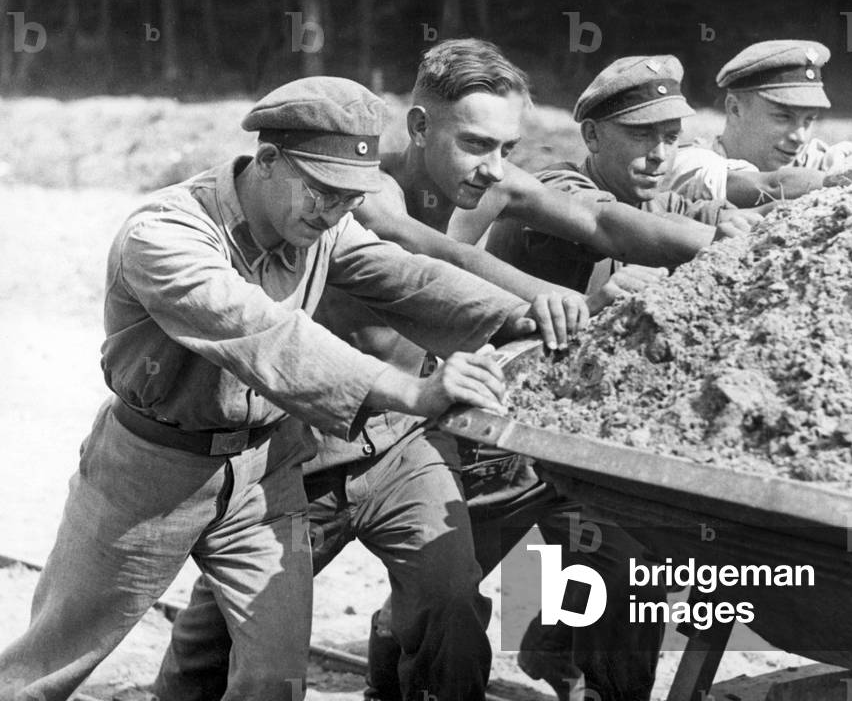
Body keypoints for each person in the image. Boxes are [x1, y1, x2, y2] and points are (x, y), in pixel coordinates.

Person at [154, 39, 673, 701]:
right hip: (303, 451)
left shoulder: (485, 180)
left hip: (407, 441)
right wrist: (532, 297)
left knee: (450, 604)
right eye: (477, 144)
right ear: (421, 127)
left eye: (508, 148)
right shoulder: (360, 191)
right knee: (224, 633)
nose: (495, 168)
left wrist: (752, 225)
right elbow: (417, 253)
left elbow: (601, 222)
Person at [0, 77, 542, 701]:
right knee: (49, 668)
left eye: (348, 199)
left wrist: (522, 313)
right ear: (267, 160)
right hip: (150, 475)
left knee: (273, 682)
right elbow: (264, 334)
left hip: (266, 473)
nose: (333, 212)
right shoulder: (167, 235)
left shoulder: (323, 225)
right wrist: (410, 392)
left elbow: (405, 278)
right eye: (323, 192)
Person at [482, 54, 757, 297]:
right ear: (592, 135)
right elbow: (610, 223)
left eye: (671, 138)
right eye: (641, 135)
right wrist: (724, 243)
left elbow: (709, 216)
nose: (660, 154)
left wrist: (767, 224)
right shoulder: (556, 186)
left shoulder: (654, 202)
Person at [669, 40, 852, 207]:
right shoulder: (691, 163)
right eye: (783, 117)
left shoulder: (805, 158)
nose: (800, 137)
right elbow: (771, 186)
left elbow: (833, 158)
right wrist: (839, 179)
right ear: (735, 109)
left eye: (808, 120)